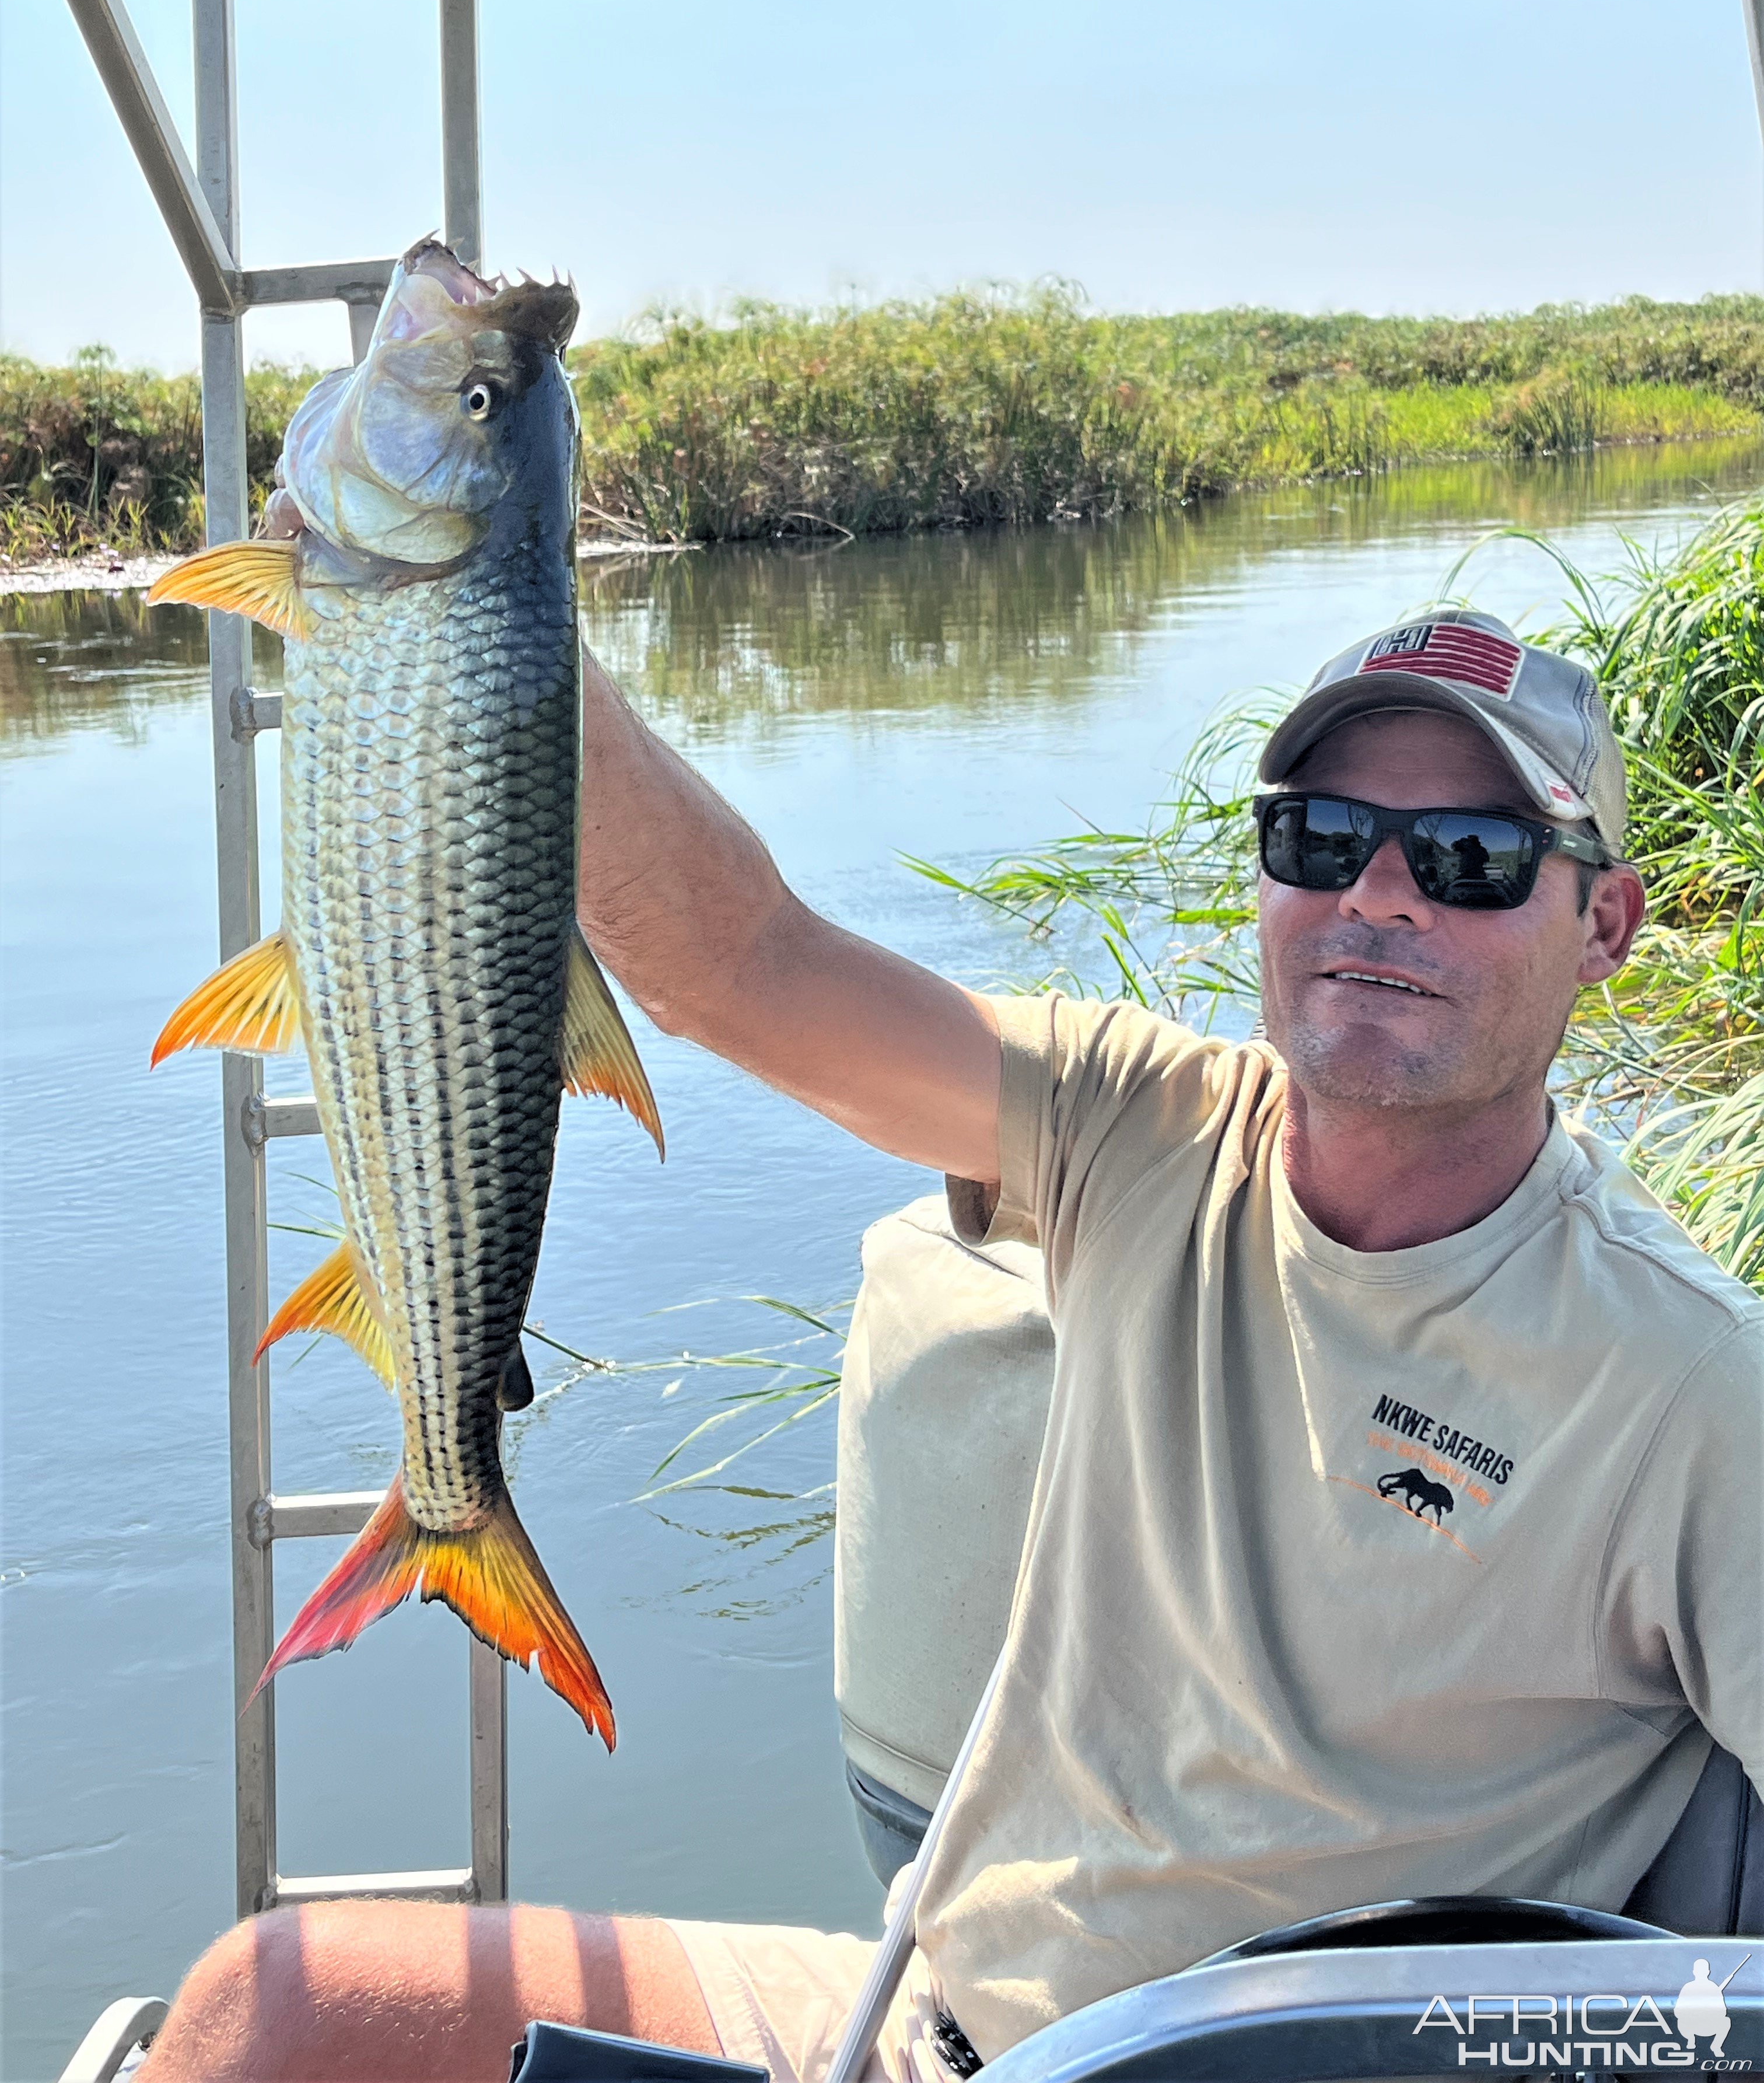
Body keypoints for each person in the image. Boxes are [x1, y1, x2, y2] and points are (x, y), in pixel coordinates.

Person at [142, 608, 1762, 2083]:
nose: (1378, 896)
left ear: (1605, 922)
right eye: (1323, 837)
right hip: (923, 2026)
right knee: (272, 2012)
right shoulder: (1144, 1124)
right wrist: (486, 604)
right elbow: (740, 963)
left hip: (1242, 2067)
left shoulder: (1688, 1380)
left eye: (1470, 856)